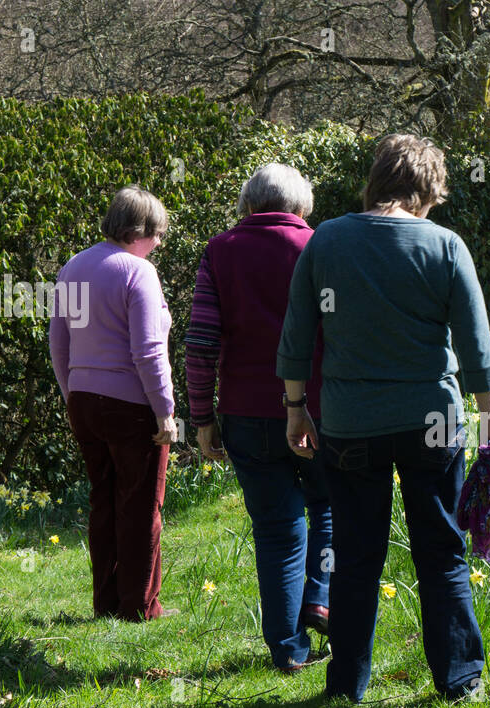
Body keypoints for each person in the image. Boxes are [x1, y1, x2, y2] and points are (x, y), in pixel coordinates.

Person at [277, 133, 490, 703]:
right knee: (442, 550)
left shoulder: (326, 241)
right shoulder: (446, 246)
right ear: (428, 189)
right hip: (432, 418)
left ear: (377, 181)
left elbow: (297, 335)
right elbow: (476, 348)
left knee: (355, 557)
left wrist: (294, 408)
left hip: (352, 423)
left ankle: (346, 686)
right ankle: (460, 680)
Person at [186, 164, 331, 672]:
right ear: (301, 206)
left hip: (245, 412)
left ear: (248, 205)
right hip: (319, 408)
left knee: (276, 530)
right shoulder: (320, 247)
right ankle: (321, 596)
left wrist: (201, 416)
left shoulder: (220, 251)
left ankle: (289, 651)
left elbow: (201, 343)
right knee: (328, 506)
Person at [49, 185, 176, 622]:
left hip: (84, 399)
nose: (158, 243)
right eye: (157, 233)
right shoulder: (137, 272)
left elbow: (59, 343)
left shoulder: (73, 267)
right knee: (141, 505)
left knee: (103, 501)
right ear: (139, 230)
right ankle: (139, 606)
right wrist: (165, 410)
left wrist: (73, 396)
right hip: (131, 405)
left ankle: (105, 602)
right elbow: (148, 350)